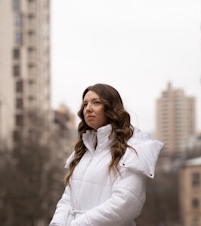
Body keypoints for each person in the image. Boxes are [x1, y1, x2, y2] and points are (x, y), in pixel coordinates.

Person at [49, 83, 163, 226]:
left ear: (111, 108)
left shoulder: (132, 150)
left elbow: (125, 203)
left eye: (96, 102)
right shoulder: (83, 151)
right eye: (85, 104)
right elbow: (68, 199)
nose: (88, 108)